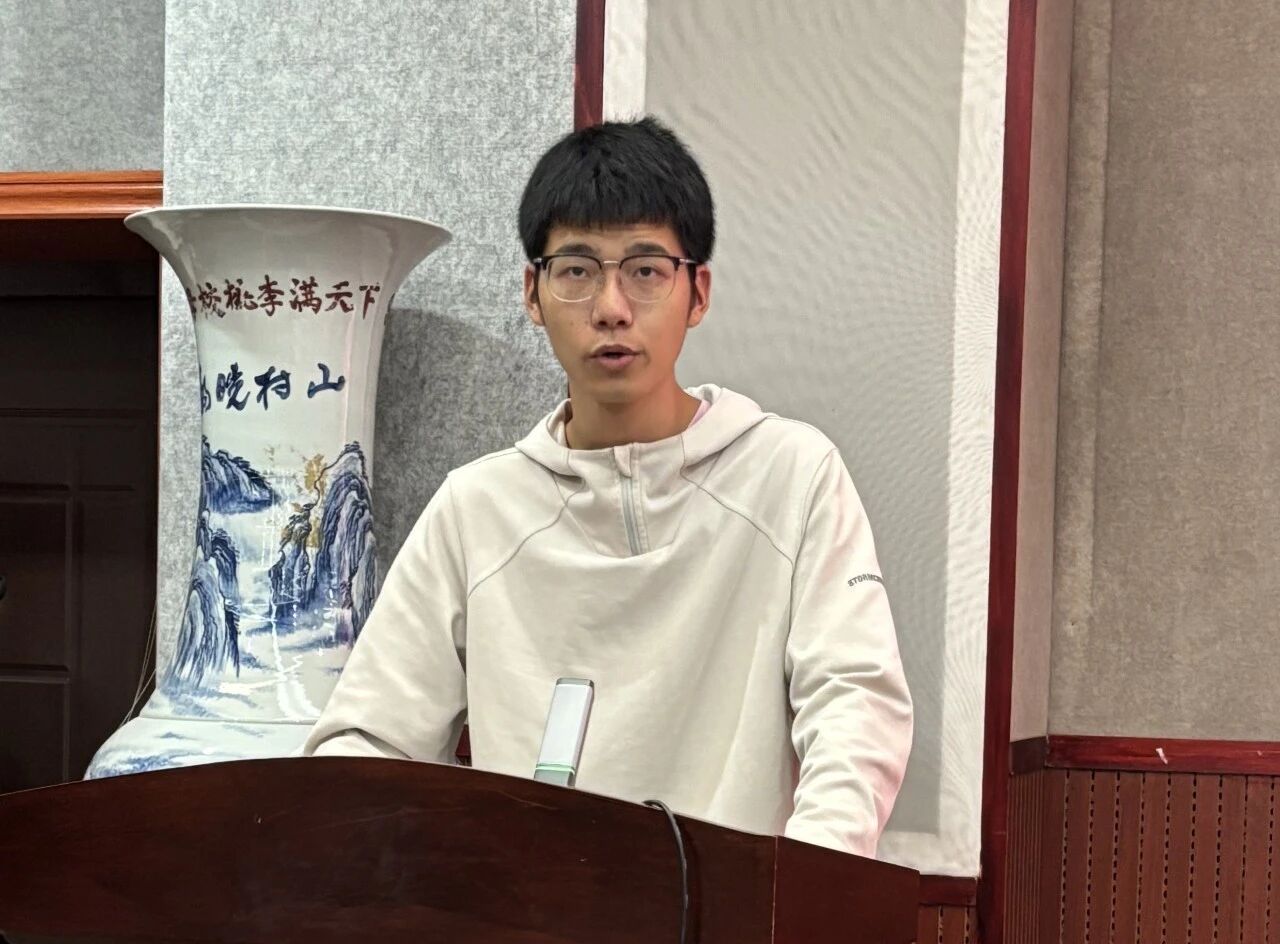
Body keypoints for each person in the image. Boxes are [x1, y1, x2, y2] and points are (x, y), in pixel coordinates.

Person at [304, 116, 912, 858]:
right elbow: (368, 738)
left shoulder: (793, 474)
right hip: (533, 912)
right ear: (533, 294)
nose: (612, 307)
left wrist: (803, 885)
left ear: (697, 293)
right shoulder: (476, 509)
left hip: (742, 910)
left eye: (646, 270)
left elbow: (856, 706)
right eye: (577, 270)